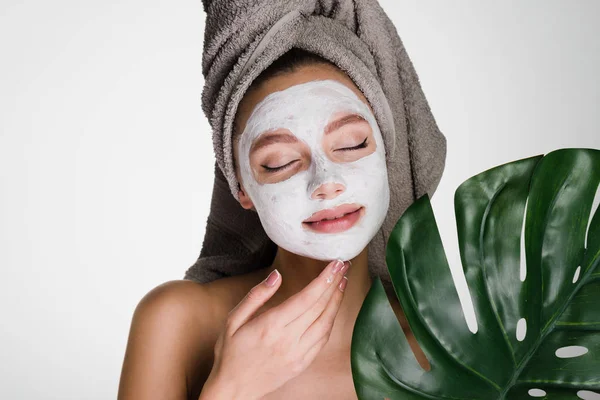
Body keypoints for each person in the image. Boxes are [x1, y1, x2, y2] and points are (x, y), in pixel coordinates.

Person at [118, 48, 430, 400]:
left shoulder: (441, 345)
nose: (326, 183)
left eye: (352, 144)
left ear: (385, 149)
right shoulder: (176, 322)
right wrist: (231, 388)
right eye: (280, 163)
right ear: (242, 188)